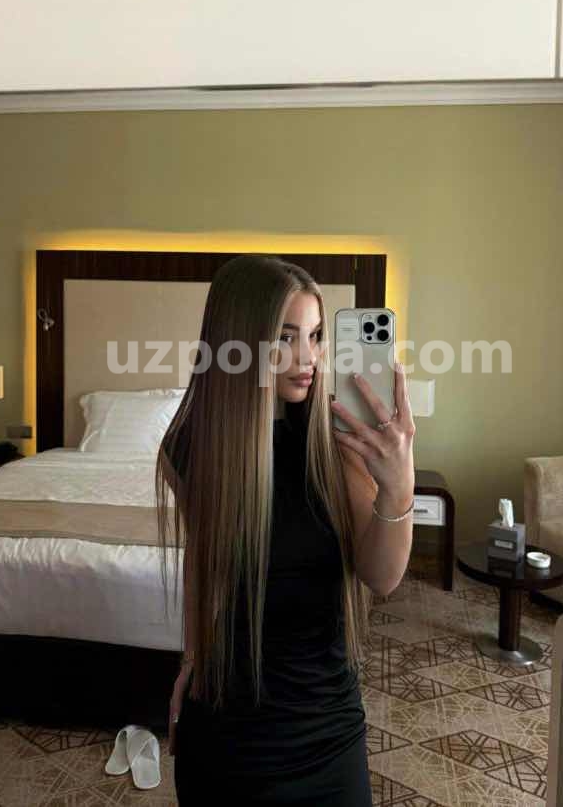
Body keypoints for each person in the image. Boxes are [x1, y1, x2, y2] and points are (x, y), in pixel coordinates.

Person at [154, 254, 415, 805]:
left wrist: (398, 488)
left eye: (316, 336)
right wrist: (191, 661)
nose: (308, 358)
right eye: (286, 337)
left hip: (324, 725)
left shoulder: (334, 443)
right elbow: (204, 562)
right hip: (223, 727)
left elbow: (382, 576)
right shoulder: (188, 448)